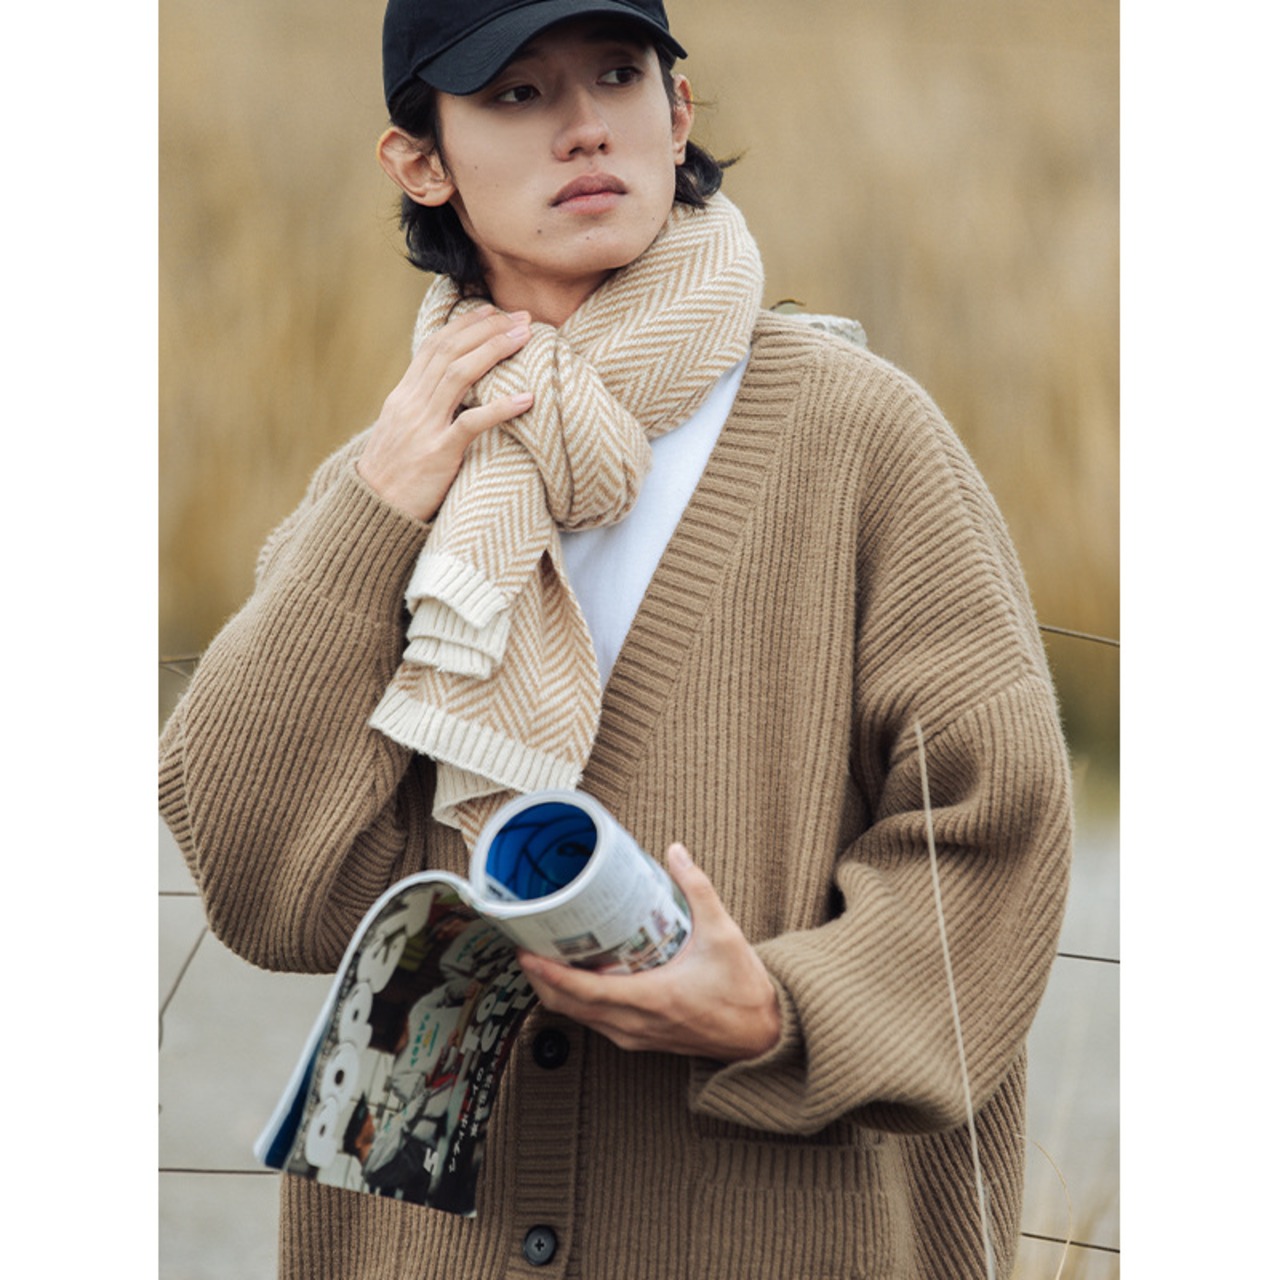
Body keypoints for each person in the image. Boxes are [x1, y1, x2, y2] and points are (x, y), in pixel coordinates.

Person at [158, 1, 1073, 1276]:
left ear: (676, 112)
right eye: (516, 94)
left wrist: (777, 1008)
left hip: (772, 1238)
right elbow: (261, 879)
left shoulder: (858, 434)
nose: (585, 126)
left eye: (616, 74)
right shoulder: (393, 481)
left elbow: (994, 830)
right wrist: (372, 509)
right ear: (419, 161)